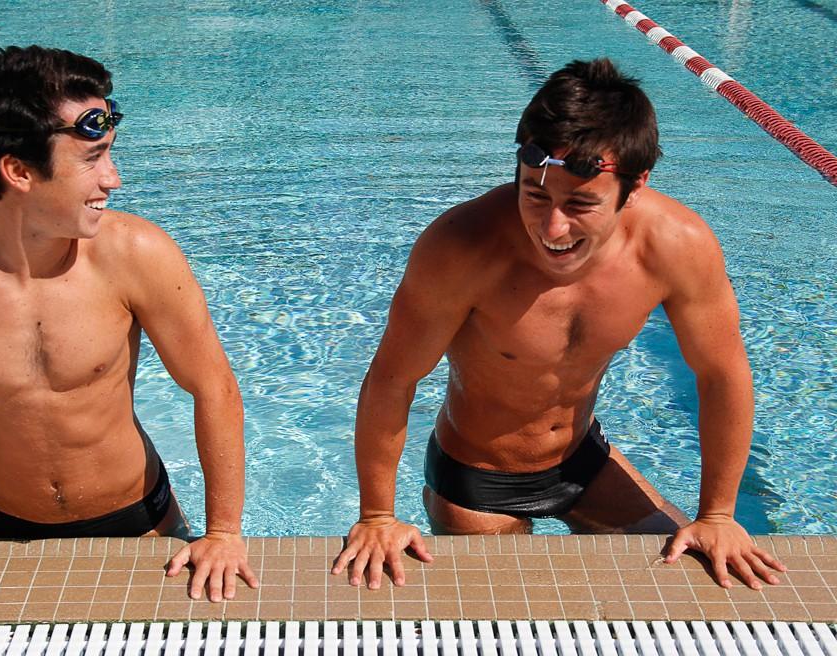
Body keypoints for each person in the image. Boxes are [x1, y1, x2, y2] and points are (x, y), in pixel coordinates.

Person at [333, 59, 786, 591]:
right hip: (477, 482)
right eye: (535, 195)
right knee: (499, 624)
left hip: (584, 463)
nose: (551, 227)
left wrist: (717, 515)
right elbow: (392, 379)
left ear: (634, 186)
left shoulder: (676, 248)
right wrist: (377, 517)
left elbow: (722, 375)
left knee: (692, 585)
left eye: (580, 204)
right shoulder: (461, 248)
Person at [0, 46, 257, 606]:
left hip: (144, 523)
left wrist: (224, 532)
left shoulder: (135, 252)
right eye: (92, 158)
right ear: (18, 171)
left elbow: (213, 386)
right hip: (9, 529)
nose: (113, 179)